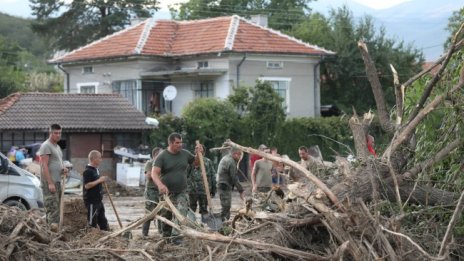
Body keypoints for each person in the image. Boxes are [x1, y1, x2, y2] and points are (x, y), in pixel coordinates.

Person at [151, 133, 199, 243]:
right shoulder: (162, 156)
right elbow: (154, 173)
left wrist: (198, 153)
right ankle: (167, 238)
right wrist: (160, 185)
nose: (180, 144)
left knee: (181, 212)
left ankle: (176, 236)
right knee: (166, 217)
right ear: (171, 143)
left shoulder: (185, 154)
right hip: (167, 193)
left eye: (181, 142)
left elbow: (196, 162)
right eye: (177, 143)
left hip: (182, 191)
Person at [38, 124, 69, 227]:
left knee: (57, 208)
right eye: (56, 133)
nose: (58, 135)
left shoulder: (57, 147)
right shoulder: (46, 145)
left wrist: (62, 169)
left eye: (60, 133)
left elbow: (56, 163)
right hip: (50, 183)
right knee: (52, 209)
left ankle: (52, 234)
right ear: (50, 133)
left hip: (57, 181)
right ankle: (52, 236)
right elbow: (44, 165)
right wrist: (50, 183)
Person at [186, 144, 216, 222]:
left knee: (204, 208)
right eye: (196, 148)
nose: (198, 149)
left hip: (204, 190)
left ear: (203, 151)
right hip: (192, 190)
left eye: (200, 148)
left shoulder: (208, 162)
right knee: (191, 207)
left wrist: (213, 189)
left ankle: (204, 224)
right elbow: (186, 175)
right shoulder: (190, 162)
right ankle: (192, 223)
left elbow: (213, 175)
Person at [82, 150, 109, 230]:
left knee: (103, 221)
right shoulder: (87, 171)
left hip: (98, 201)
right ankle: (90, 239)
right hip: (91, 202)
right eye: (100, 158)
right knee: (92, 223)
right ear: (94, 159)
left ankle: (106, 236)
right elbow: (87, 186)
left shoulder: (96, 170)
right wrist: (99, 180)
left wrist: (101, 181)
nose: (101, 160)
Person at [216, 147, 245, 221]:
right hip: (224, 185)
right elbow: (234, 178)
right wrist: (241, 190)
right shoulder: (231, 162)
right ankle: (222, 223)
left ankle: (223, 222)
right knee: (226, 206)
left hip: (222, 184)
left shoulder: (226, 158)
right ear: (235, 154)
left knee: (226, 206)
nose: (240, 158)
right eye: (239, 155)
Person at [142, 147, 162, 237]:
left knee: (162, 213)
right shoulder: (150, 163)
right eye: (161, 154)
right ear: (155, 155)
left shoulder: (162, 164)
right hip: (151, 191)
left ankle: (161, 233)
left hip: (160, 191)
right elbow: (148, 176)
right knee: (149, 214)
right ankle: (144, 234)